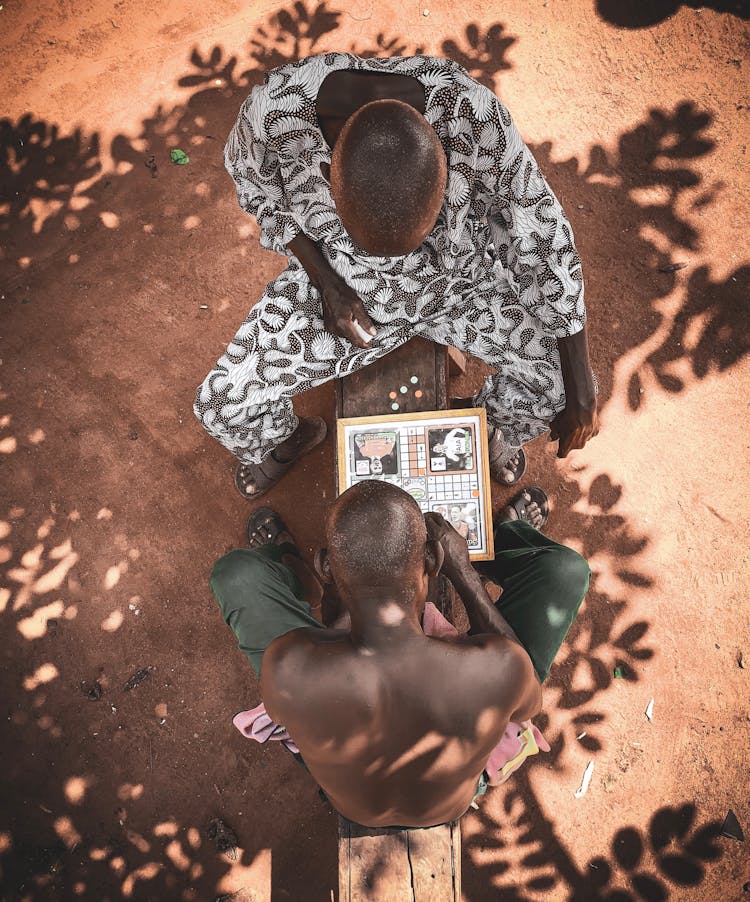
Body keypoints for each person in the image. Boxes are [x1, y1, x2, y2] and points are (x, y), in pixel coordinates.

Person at [194, 54, 598, 499]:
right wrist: (328, 285)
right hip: (343, 288)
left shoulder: (475, 119)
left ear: (445, 177)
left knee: (566, 387)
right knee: (221, 403)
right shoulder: (272, 114)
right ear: (330, 180)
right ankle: (290, 438)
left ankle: (486, 429)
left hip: (460, 286)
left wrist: (580, 385)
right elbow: (258, 193)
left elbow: (542, 233)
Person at [210, 481, 590, 828]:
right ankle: (497, 538)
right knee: (565, 572)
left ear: (326, 566)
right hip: (451, 799)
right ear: (434, 561)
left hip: (351, 800)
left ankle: (293, 565)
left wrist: (343, 606)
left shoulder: (289, 666)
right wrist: (465, 575)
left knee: (236, 575)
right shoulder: (496, 668)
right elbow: (526, 708)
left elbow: (319, 677)